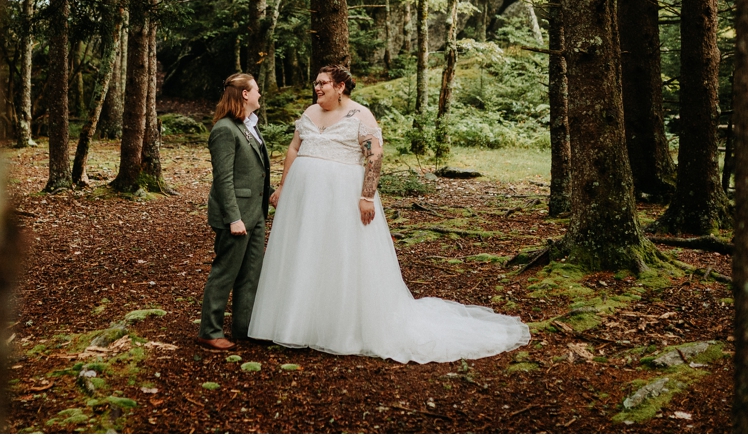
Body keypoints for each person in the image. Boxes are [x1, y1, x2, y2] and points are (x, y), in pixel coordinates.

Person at [247, 64, 531, 363]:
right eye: (316, 83)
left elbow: (375, 156)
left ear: (340, 87)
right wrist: (284, 185)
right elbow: (294, 148)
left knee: (340, 254)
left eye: (323, 84)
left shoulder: (360, 114)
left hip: (342, 197)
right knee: (304, 252)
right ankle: (296, 321)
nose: (317, 88)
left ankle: (339, 327)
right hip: (304, 200)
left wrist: (367, 196)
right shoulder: (309, 112)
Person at [196, 73, 272, 351]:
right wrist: (234, 218)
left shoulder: (249, 125)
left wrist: (272, 192)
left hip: (256, 213)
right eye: (257, 90)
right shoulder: (224, 130)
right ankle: (210, 330)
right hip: (237, 217)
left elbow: (254, 170)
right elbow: (224, 179)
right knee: (225, 273)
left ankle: (245, 327)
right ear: (244, 94)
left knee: (251, 273)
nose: (260, 94)